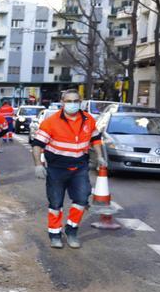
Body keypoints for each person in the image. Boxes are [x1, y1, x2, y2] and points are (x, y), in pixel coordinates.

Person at [31, 89, 105, 249]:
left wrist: (99, 156)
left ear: (81, 102)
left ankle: (71, 230)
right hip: (57, 168)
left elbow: (96, 139)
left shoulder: (88, 119)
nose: (73, 104)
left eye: (76, 101)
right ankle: (55, 234)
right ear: (62, 103)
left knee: (81, 199)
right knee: (55, 203)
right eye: (69, 101)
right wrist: (38, 164)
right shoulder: (51, 122)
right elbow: (37, 145)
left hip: (79, 167)